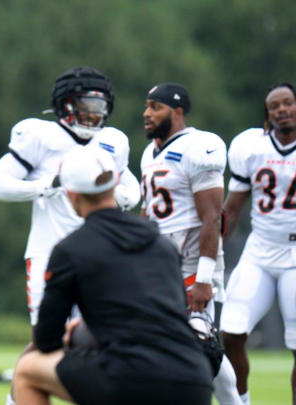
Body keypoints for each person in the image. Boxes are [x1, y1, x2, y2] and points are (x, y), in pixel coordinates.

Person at [0, 67, 140, 404]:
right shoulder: (39, 136)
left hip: (100, 255)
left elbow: (132, 188)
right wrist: (46, 187)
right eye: (87, 105)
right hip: (50, 252)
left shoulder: (113, 141)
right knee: (45, 339)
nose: (94, 115)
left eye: (100, 107)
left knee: (97, 337)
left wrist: (119, 196)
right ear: (66, 104)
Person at [12, 146, 213, 405]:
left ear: (71, 195)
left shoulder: (71, 249)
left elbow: (46, 340)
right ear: (115, 183)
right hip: (194, 379)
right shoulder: (161, 243)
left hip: (129, 378)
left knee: (27, 370)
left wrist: (75, 335)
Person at [140, 83, 242, 404]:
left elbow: (212, 217)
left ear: (178, 111)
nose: (147, 113)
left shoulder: (200, 146)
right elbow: (148, 214)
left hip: (190, 264)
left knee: (203, 349)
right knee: (172, 347)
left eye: (156, 107)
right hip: (159, 266)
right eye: (146, 106)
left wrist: (203, 279)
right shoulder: (148, 152)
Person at [220, 82, 296, 405]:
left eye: (288, 103)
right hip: (260, 251)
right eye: (274, 106)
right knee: (230, 333)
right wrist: (210, 250)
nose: (282, 109)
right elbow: (233, 208)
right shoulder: (250, 148)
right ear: (267, 114)